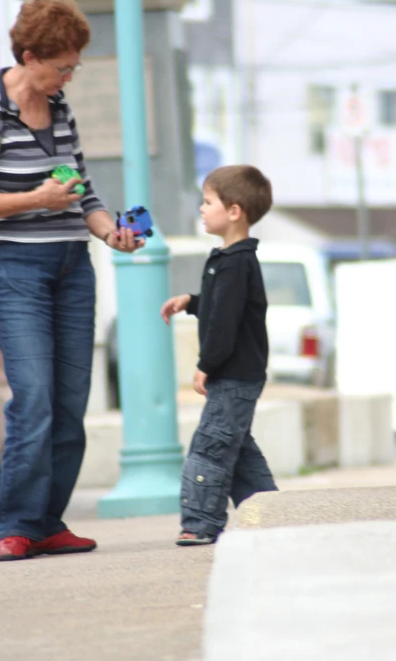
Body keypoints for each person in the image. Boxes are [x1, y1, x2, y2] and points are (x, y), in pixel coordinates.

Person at [0, 0, 144, 562]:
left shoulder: (60, 112)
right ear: (29, 56)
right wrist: (38, 197)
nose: (68, 78)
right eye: (61, 67)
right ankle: (16, 526)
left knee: (68, 400)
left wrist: (110, 233)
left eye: (73, 67)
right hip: (14, 273)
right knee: (32, 398)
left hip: (70, 269)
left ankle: (48, 522)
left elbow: (82, 192)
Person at [160, 165, 278, 546]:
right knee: (236, 447)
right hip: (242, 373)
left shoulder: (234, 263)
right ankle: (271, 514)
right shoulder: (231, 260)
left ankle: (201, 522)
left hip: (232, 372)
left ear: (234, 212)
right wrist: (191, 302)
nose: (201, 208)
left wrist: (205, 366)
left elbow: (225, 325)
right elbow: (222, 307)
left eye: (208, 201)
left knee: (210, 447)